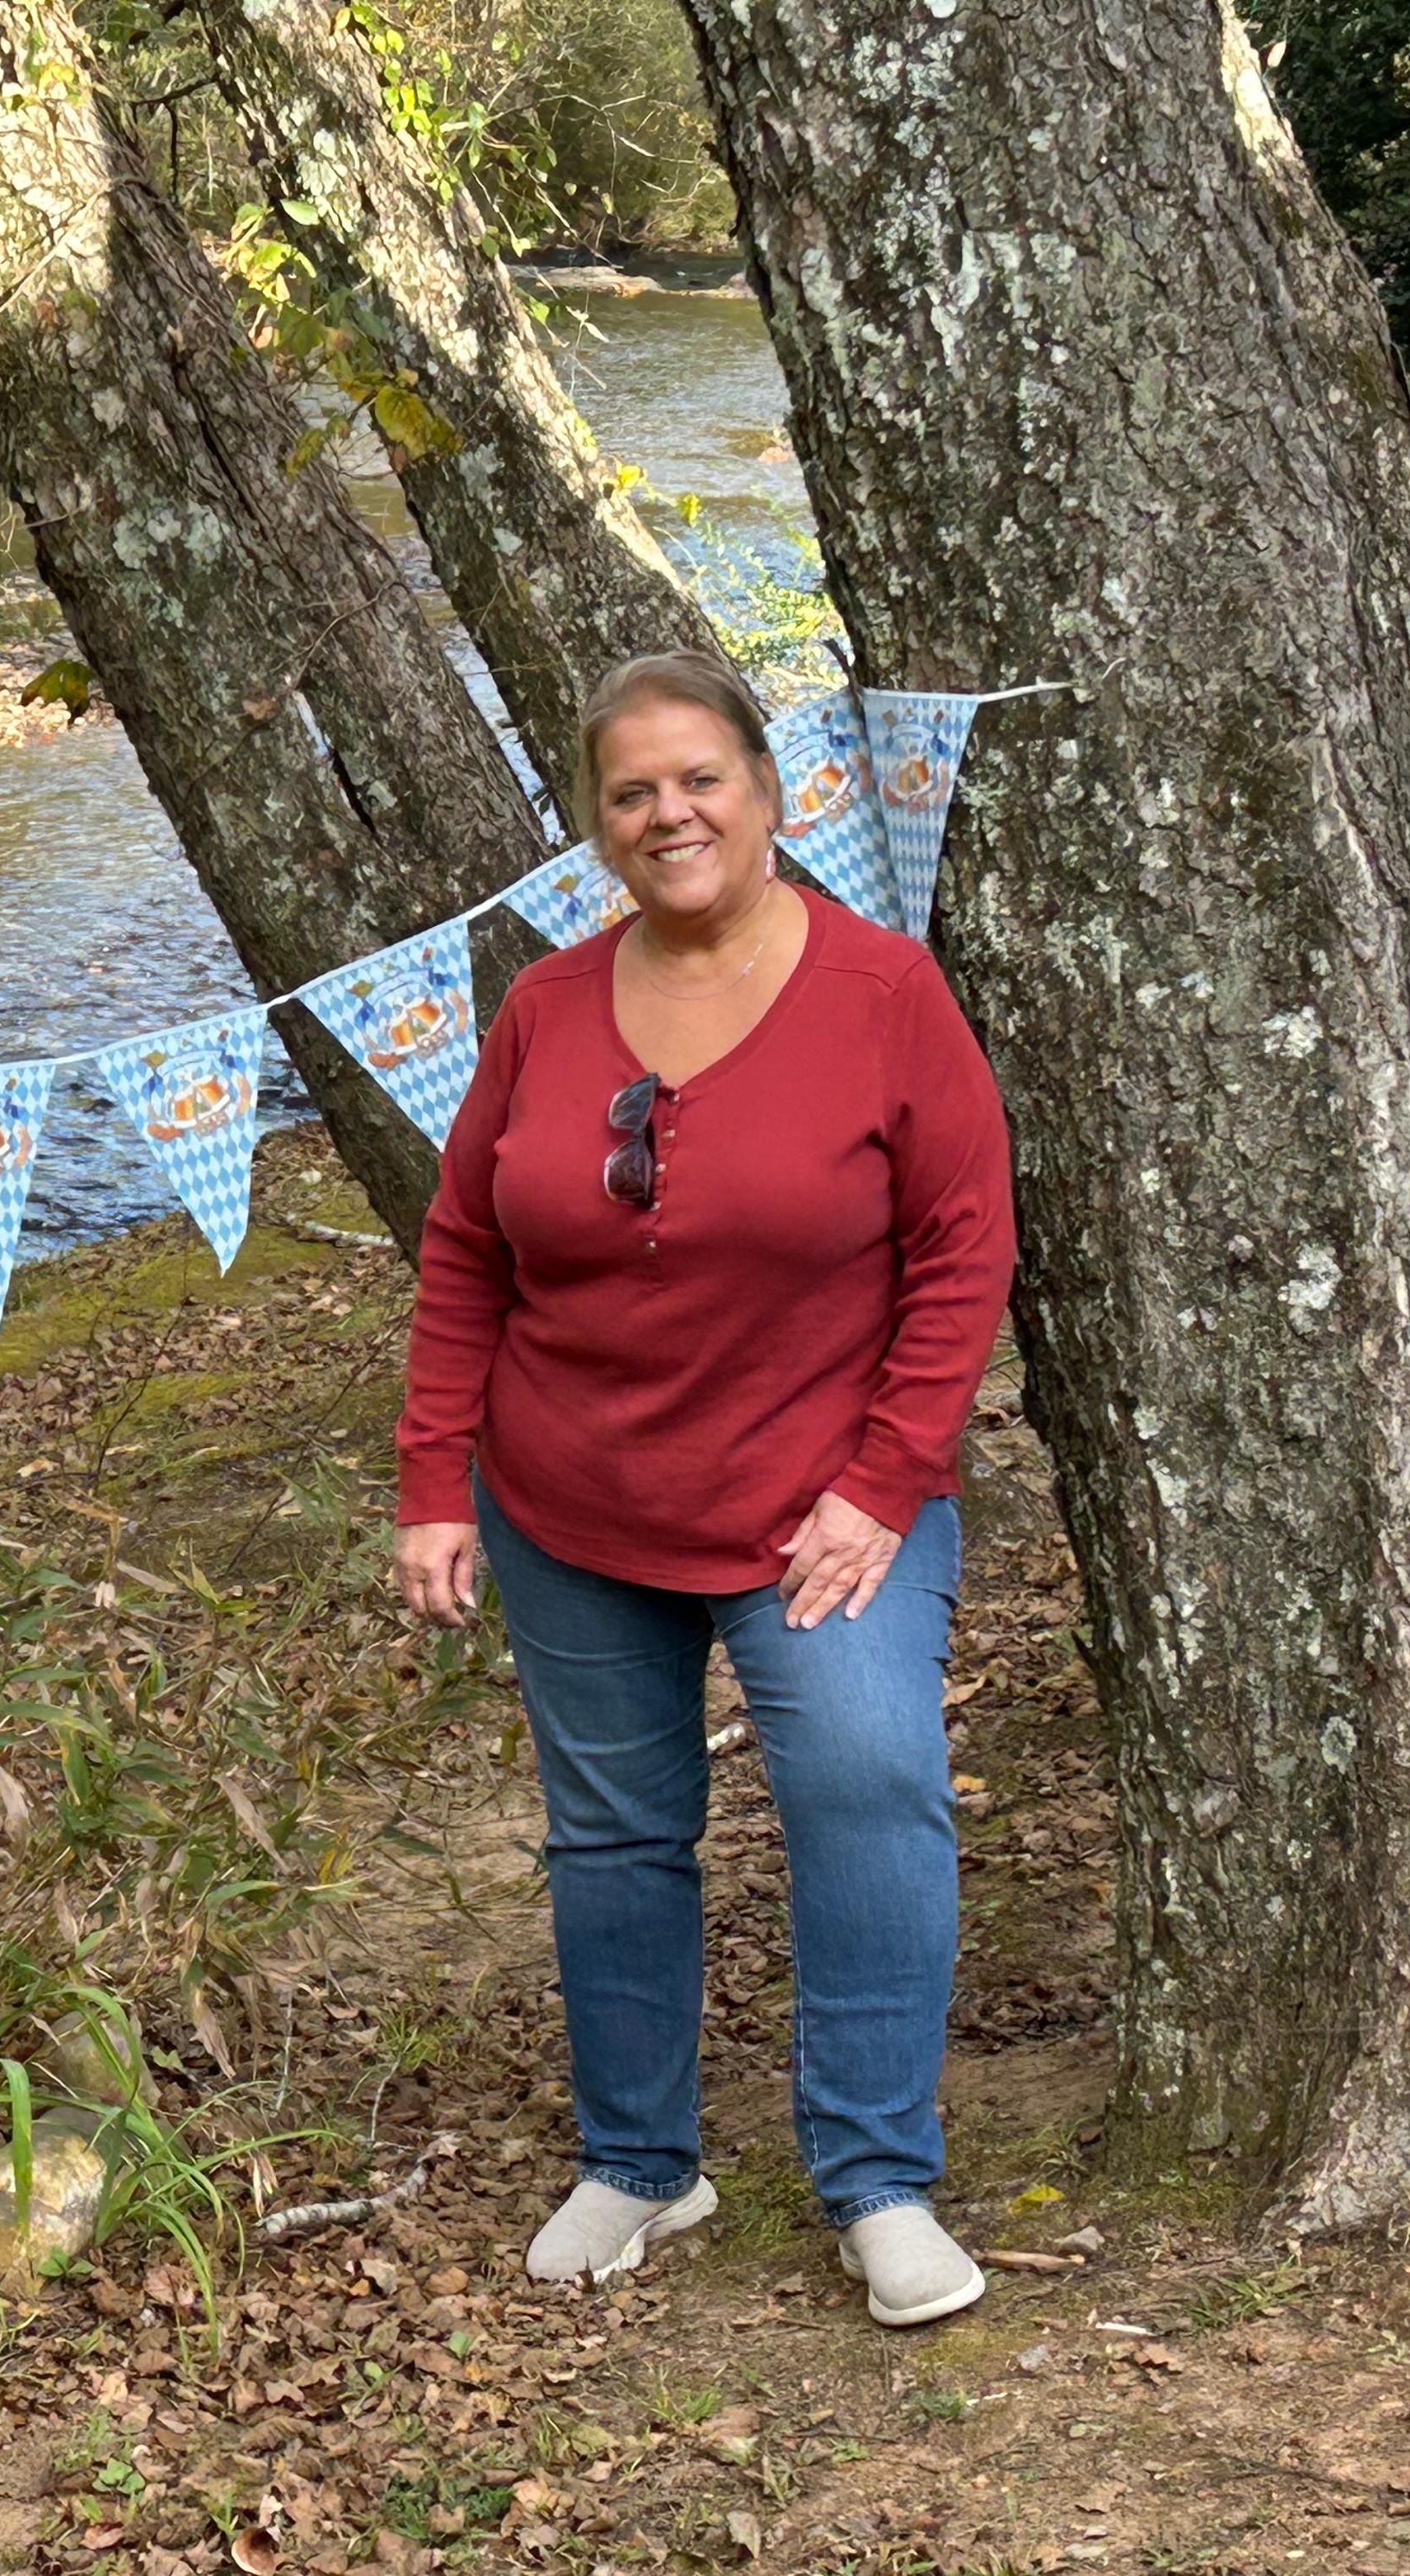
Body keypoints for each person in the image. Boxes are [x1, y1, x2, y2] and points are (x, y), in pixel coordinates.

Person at [394, 653, 1015, 2329]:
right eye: (630, 792)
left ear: (768, 788)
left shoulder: (885, 994)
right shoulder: (544, 1010)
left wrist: (884, 1486)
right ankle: (642, 2168)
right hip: (569, 1505)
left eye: (699, 779)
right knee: (611, 1833)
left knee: (872, 1790)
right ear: (599, 827)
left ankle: (879, 2182)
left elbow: (965, 1251)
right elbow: (465, 1247)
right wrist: (432, 1480)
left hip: (823, 1511)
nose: (670, 813)